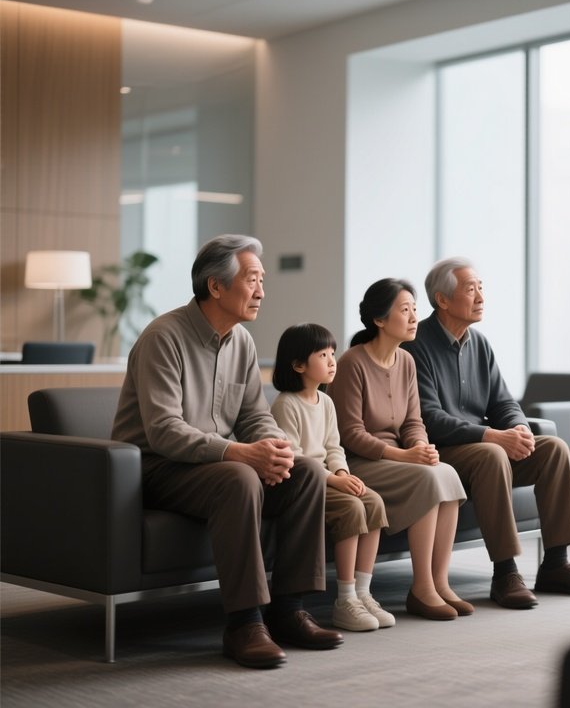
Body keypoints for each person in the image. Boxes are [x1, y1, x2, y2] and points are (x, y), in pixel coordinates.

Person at [112, 234, 343, 669]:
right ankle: (243, 623)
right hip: (159, 469)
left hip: (214, 464)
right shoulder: (164, 337)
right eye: (252, 279)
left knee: (308, 471)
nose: (261, 290)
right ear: (216, 286)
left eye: (262, 280)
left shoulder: (242, 342)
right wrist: (241, 454)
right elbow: (164, 431)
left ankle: (289, 609)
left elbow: (255, 416)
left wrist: (278, 449)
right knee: (237, 477)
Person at [403, 257, 570, 610]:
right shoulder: (416, 344)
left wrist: (517, 428)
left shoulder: (479, 344)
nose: (481, 296)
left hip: (485, 448)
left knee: (554, 449)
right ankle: (505, 572)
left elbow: (503, 401)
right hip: (443, 452)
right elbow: (429, 418)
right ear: (442, 300)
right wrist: (492, 437)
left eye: (481, 288)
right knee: (492, 453)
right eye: (471, 290)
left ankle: (555, 565)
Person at [327, 278, 470, 621]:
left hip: (398, 459)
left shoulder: (406, 361)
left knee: (445, 471)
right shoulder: (352, 363)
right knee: (426, 479)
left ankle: (439, 581)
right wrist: (405, 456)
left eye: (415, 310)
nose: (413, 318)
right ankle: (421, 588)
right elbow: (350, 434)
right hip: (361, 462)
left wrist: (420, 446)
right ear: (379, 320)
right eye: (404, 310)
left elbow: (412, 422)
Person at [271, 322, 394, 632]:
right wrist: (334, 480)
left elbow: (333, 447)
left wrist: (342, 472)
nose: (331, 361)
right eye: (322, 355)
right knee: (352, 508)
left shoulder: (325, 402)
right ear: (298, 365)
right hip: (306, 484)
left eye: (332, 354)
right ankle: (345, 599)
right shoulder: (287, 404)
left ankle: (364, 593)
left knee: (374, 502)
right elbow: (296, 458)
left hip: (329, 477)